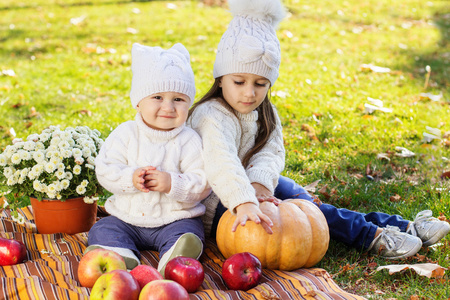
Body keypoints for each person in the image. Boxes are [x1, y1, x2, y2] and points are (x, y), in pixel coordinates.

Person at [187, 0, 450, 260]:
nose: (249, 92)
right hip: (223, 203)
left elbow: (270, 152)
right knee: (300, 213)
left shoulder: (266, 112)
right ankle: (371, 236)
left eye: (261, 83)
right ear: (221, 79)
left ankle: (400, 226)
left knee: (307, 208)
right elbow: (220, 162)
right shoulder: (210, 115)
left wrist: (259, 184)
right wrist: (246, 197)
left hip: (255, 185)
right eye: (239, 81)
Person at [86, 43, 211, 275]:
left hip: (175, 218)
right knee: (103, 228)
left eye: (178, 99)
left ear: (189, 104)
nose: (168, 107)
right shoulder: (125, 134)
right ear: (138, 101)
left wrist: (172, 183)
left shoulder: (190, 140)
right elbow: (105, 168)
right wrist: (129, 178)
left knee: (189, 233)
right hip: (127, 218)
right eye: (157, 96)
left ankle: (175, 259)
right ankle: (120, 256)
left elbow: (203, 181)